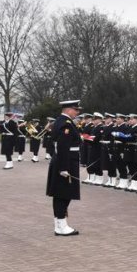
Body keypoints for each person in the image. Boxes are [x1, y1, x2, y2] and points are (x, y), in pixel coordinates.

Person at [46, 100, 83, 236]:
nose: (77, 112)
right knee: (63, 195)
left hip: (65, 161)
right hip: (66, 162)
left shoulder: (61, 121)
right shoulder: (65, 124)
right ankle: (61, 225)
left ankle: (59, 225)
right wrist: (63, 168)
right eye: (75, 109)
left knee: (61, 194)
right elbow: (63, 147)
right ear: (68, 110)